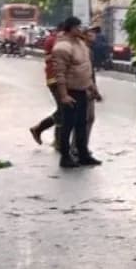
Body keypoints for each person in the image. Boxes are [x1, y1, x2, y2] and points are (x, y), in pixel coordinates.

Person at [51, 17, 101, 169]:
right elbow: (60, 74)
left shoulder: (81, 45)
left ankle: (83, 154)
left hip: (83, 90)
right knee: (68, 125)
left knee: (81, 123)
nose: (81, 30)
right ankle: (65, 157)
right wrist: (64, 95)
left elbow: (85, 70)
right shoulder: (62, 47)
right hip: (70, 92)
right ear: (71, 28)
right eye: (78, 27)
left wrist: (93, 88)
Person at [29, 28, 62, 148]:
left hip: (58, 78)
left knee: (63, 110)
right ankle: (41, 130)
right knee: (63, 110)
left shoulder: (57, 40)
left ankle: (57, 140)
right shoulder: (55, 40)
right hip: (56, 78)